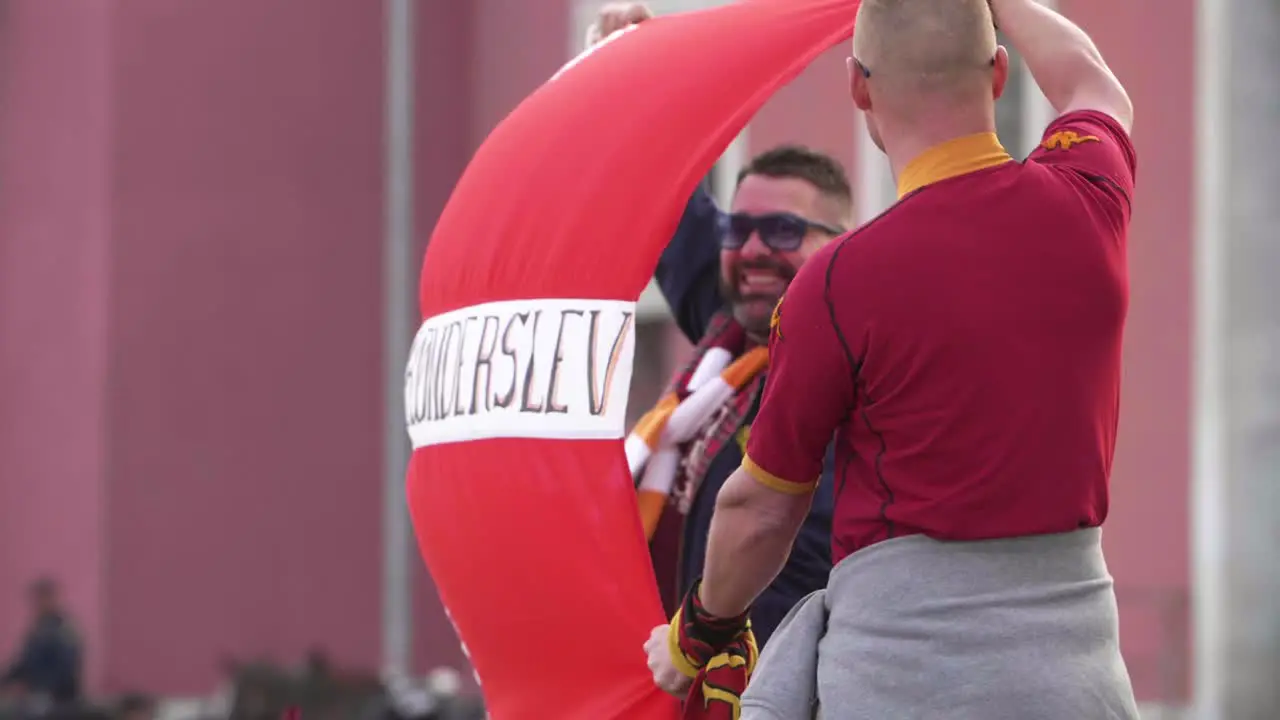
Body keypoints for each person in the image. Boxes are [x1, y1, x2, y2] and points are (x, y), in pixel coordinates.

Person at [645, 0, 1140, 717]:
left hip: (903, 680)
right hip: (1076, 682)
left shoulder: (837, 284)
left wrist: (695, 634)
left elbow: (760, 511)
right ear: (999, 72)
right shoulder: (1089, 199)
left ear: (859, 88)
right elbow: (1094, 83)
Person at [590, 3, 854, 650]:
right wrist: (632, 74)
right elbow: (659, 188)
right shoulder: (726, 338)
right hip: (677, 685)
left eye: (785, 230)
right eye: (740, 229)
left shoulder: (865, 371)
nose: (756, 249)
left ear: (841, 248)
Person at [1, 579, 83, 708]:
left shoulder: (64, 631)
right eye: (35, 601)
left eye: (41, 599)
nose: (37, 605)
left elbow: (66, 671)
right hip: (37, 696)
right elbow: (23, 664)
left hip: (58, 700)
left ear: (52, 599)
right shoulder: (38, 631)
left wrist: (42, 692)